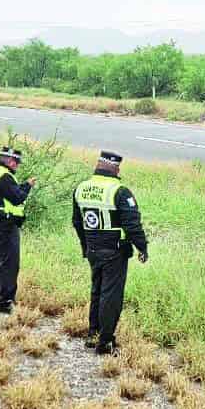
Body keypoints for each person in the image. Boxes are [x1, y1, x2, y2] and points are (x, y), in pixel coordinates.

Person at [72, 150, 150, 355]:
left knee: (96, 291)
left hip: (93, 250)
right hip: (115, 251)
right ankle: (105, 341)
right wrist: (142, 247)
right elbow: (132, 225)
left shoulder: (81, 188)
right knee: (111, 296)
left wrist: (85, 246)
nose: (118, 171)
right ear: (114, 167)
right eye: (118, 167)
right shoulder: (119, 191)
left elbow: (77, 222)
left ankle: (92, 334)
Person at [0, 146, 37, 314]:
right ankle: (4, 303)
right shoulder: (3, 177)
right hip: (5, 225)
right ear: (11, 161)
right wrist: (27, 185)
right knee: (9, 264)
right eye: (17, 163)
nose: (17, 167)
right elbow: (17, 198)